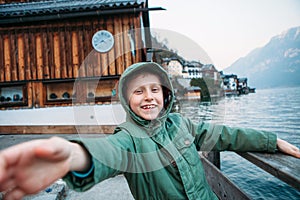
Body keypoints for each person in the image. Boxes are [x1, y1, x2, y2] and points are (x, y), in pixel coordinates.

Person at [0, 62, 299, 200]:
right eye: (138, 91)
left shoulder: (182, 125)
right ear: (127, 100)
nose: (148, 97)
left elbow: (226, 135)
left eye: (154, 89)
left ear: (165, 94)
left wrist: (272, 141)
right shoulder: (129, 138)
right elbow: (108, 153)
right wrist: (71, 155)